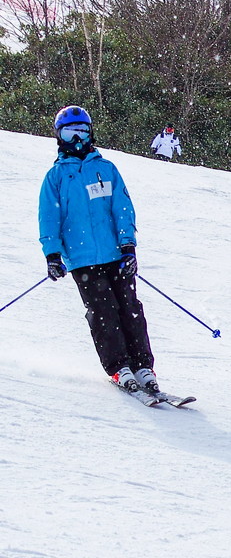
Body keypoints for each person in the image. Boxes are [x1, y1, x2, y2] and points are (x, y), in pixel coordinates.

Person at [39, 105, 165, 399]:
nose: (77, 138)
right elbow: (49, 218)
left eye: (82, 131)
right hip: (83, 260)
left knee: (130, 309)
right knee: (103, 312)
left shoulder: (105, 168)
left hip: (115, 255)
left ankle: (143, 366)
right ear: (59, 137)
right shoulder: (56, 177)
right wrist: (52, 255)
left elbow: (122, 208)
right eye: (70, 133)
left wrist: (128, 247)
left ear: (90, 132)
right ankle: (119, 366)